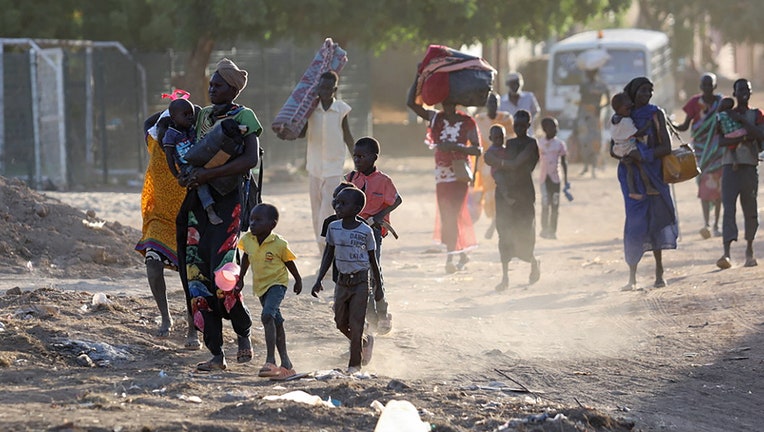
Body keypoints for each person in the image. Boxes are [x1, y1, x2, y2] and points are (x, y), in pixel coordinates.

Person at [177, 58, 262, 371]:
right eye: (211, 85)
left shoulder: (245, 116)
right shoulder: (202, 117)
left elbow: (250, 160)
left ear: (233, 89)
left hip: (229, 203)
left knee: (223, 275)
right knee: (197, 276)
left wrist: (207, 176)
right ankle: (216, 353)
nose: (212, 89)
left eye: (218, 85)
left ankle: (243, 333)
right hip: (199, 205)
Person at [135, 105, 200, 348]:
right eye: (166, 128)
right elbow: (147, 122)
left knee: (189, 276)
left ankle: (193, 328)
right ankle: (165, 317)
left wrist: (187, 108)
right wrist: (172, 106)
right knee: (152, 263)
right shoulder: (153, 141)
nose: (168, 134)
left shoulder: (190, 145)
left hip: (189, 217)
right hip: (158, 218)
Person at [407, 74, 481, 274]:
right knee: (447, 212)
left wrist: (455, 147)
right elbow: (411, 104)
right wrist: (419, 75)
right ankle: (461, 251)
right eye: (443, 102)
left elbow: (478, 150)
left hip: (459, 173)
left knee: (452, 213)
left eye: (450, 103)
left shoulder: (467, 122)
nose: (446, 107)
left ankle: (450, 257)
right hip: (442, 173)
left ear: (456, 103)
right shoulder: (436, 118)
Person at [613, 77, 678, 290]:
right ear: (633, 92)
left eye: (650, 91)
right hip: (633, 179)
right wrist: (627, 156)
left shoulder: (655, 113)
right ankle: (632, 276)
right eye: (642, 91)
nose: (647, 95)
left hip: (654, 175)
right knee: (635, 223)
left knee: (656, 221)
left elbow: (666, 147)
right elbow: (612, 147)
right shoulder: (623, 115)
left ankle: (659, 272)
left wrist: (645, 155)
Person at [311, 187, 383, 374]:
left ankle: (354, 365)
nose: (337, 206)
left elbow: (373, 260)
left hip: (361, 282)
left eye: (343, 203)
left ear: (357, 208)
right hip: (342, 282)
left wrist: (378, 287)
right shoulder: (333, 227)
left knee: (356, 322)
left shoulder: (365, 231)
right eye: (337, 202)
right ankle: (363, 342)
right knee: (340, 322)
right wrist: (319, 279)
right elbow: (328, 254)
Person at [344, 137, 402, 335]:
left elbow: (397, 200)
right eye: (355, 156)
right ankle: (370, 316)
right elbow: (340, 200)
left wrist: (377, 217)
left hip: (373, 232)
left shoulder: (383, 181)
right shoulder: (351, 179)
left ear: (374, 158)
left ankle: (383, 312)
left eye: (362, 156)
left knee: (373, 271)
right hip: (352, 231)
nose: (357, 160)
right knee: (358, 273)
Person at [238, 203, 302, 381]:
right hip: (261, 286)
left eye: (258, 220)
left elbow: (289, 261)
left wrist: (298, 279)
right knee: (276, 321)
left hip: (277, 284)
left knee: (267, 316)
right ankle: (287, 364)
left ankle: (270, 360)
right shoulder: (248, 239)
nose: (252, 223)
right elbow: (246, 258)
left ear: (272, 224)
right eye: (251, 219)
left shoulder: (279, 243)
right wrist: (241, 278)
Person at [484, 112, 541, 291]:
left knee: (524, 232)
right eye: (516, 125)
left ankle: (533, 262)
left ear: (528, 125)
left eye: (522, 126)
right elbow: (495, 160)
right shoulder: (510, 143)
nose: (519, 128)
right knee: (504, 234)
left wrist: (497, 162)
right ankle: (505, 277)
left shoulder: (532, 144)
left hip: (524, 193)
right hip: (506, 194)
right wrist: (496, 162)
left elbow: (516, 163)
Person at [300, 70, 354, 255]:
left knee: (328, 208)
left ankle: (328, 246)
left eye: (327, 88)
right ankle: (322, 249)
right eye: (321, 87)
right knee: (316, 209)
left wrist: (358, 161)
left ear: (334, 89)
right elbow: (300, 133)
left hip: (333, 166)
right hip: (314, 166)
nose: (323, 91)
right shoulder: (310, 109)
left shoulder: (341, 109)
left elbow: (347, 135)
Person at [715, 78, 764, 269]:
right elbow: (721, 142)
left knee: (750, 210)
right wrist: (746, 135)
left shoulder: (756, 114)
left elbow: (761, 135)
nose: (745, 92)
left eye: (747, 89)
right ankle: (726, 253)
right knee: (729, 209)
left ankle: (749, 250)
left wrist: (742, 122)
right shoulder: (726, 115)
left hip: (749, 166)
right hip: (730, 167)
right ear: (734, 94)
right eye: (741, 89)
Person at [673, 73, 724, 239]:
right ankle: (706, 224)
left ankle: (716, 224)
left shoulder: (721, 102)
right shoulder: (694, 103)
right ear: (701, 87)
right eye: (705, 86)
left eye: (710, 85)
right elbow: (685, 126)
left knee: (719, 189)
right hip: (701, 152)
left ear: (715, 86)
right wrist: (669, 124)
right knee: (705, 187)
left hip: (718, 151)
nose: (707, 89)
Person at [162, 98, 224, 226]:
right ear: (173, 117)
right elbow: (168, 156)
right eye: (185, 115)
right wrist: (177, 175)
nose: (190, 117)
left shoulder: (191, 128)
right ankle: (209, 209)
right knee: (199, 181)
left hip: (200, 159)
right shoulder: (171, 134)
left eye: (191, 114)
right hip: (186, 166)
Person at [474, 92, 514, 239]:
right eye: (490, 102)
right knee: (489, 196)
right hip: (485, 164)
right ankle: (495, 221)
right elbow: (475, 142)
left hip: (502, 161)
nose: (492, 105)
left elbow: (511, 140)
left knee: (501, 192)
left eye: (495, 102)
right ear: (486, 104)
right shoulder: (479, 119)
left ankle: (495, 224)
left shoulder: (506, 118)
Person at [610, 92, 659, 200]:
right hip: (628, 148)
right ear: (619, 108)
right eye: (627, 108)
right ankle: (648, 187)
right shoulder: (626, 121)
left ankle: (632, 191)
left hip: (618, 148)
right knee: (642, 164)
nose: (630, 110)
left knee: (630, 170)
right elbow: (638, 133)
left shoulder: (614, 119)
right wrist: (648, 125)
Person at [537, 117, 569, 239]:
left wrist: (566, 179)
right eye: (553, 127)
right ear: (545, 129)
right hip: (544, 179)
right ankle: (544, 229)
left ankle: (553, 230)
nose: (556, 130)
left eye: (556, 127)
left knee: (555, 205)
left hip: (556, 179)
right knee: (545, 204)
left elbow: (564, 162)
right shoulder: (540, 143)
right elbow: (535, 160)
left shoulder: (560, 144)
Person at [575, 68, 610, 178]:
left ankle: (595, 166)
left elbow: (608, 101)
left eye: (590, 72)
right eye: (587, 72)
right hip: (584, 115)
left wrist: (600, 107)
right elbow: (581, 100)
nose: (588, 74)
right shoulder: (583, 85)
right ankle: (586, 166)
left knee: (596, 141)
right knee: (584, 140)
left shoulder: (602, 85)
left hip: (596, 115)